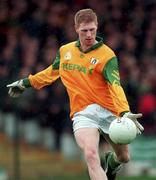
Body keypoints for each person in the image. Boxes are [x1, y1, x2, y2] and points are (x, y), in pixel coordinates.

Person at [7, 9, 144, 180]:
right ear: (76, 29)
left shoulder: (107, 56)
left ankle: (112, 162)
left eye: (92, 30)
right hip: (83, 112)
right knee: (91, 154)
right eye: (84, 30)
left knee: (124, 158)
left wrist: (124, 112)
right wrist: (26, 83)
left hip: (109, 110)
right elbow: (51, 72)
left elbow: (115, 85)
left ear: (97, 27)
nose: (89, 35)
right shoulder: (65, 51)